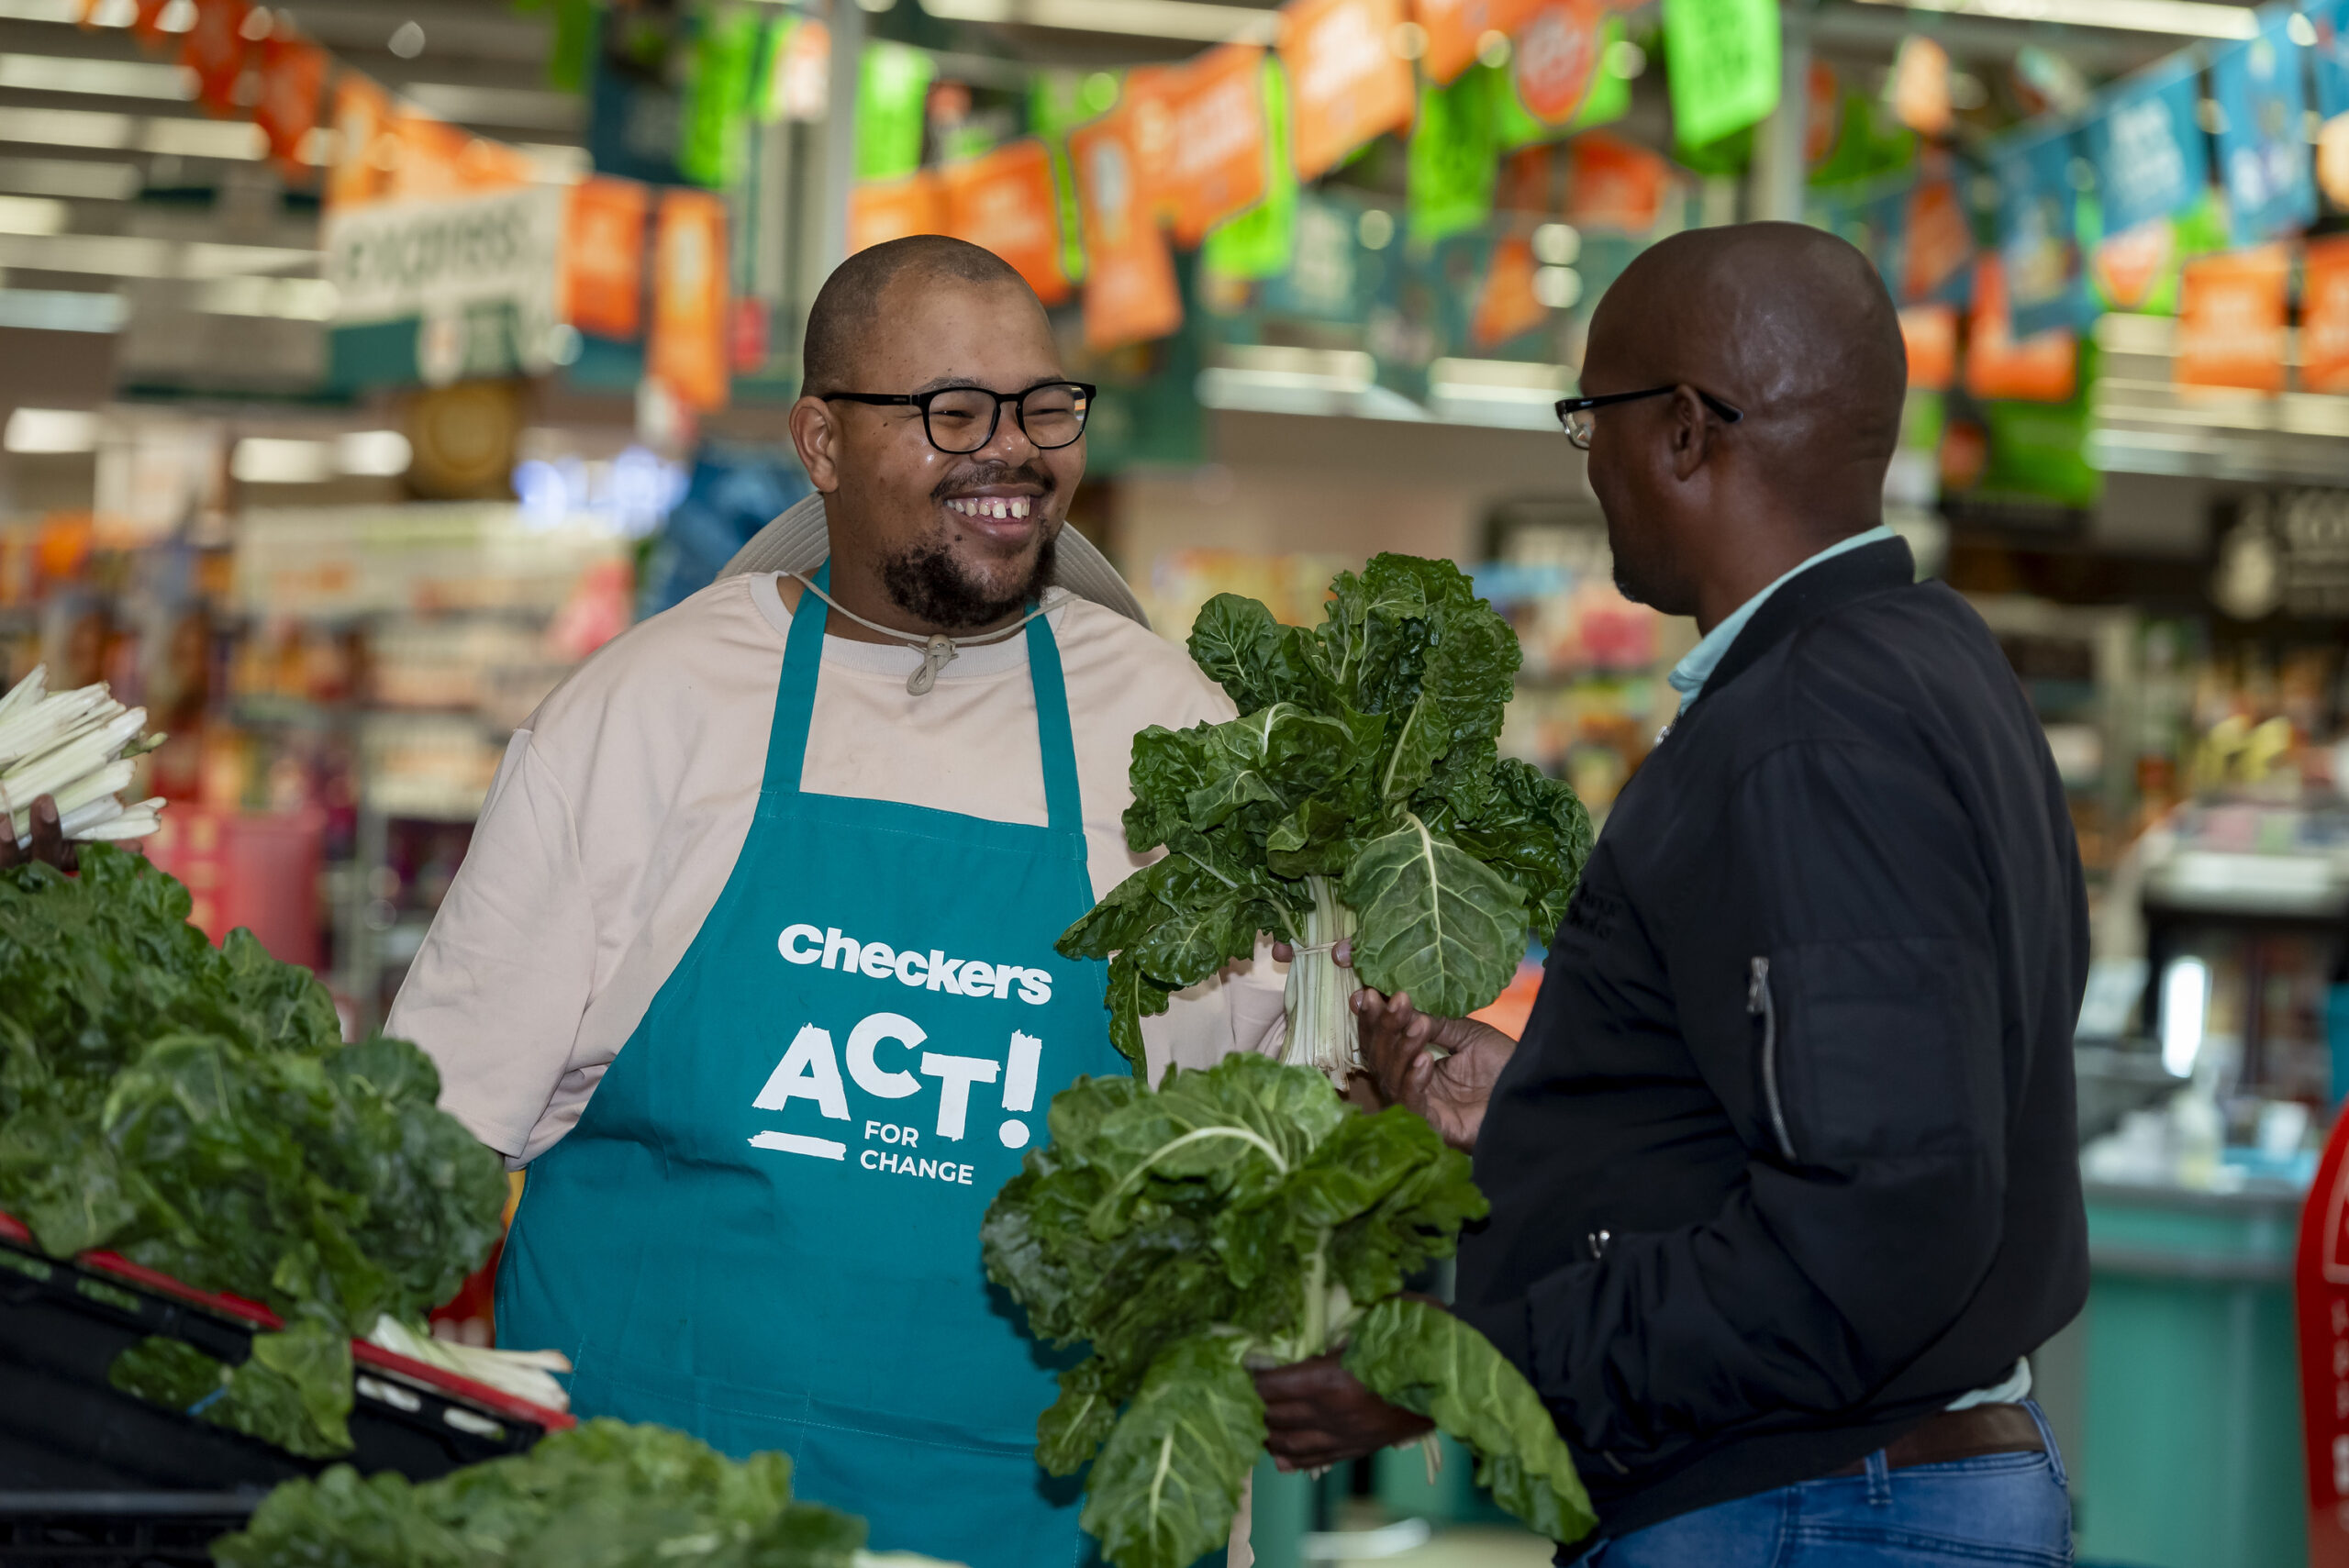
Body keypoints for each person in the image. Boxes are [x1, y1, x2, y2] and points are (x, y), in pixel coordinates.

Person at [389, 236, 1284, 1567]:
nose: (1013, 451)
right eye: (952, 412)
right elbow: (433, 1135)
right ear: (820, 439)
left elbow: (1268, 1146)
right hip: (656, 1515)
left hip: (1041, 1523)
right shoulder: (650, 714)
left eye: (1043, 407)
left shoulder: (1175, 741)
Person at [1253, 222, 2088, 1566]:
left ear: (1689, 431)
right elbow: (1828, 1116)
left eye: (1594, 418)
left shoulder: (1815, 731)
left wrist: (1458, 1367)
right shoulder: (1921, 665)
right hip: (1842, 1496)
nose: (1591, 464)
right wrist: (1536, 1108)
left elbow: (1880, 1215)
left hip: (1814, 1511)